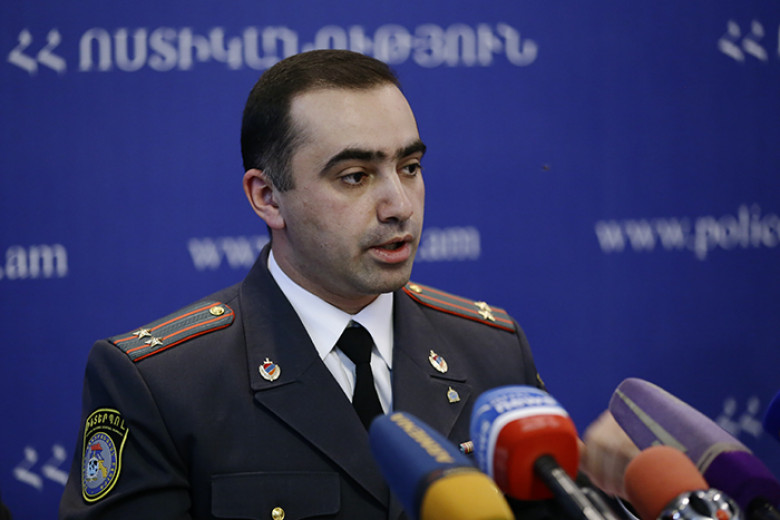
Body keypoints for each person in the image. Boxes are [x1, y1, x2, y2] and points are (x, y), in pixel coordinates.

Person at [59, 49, 591, 519]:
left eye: (409, 167)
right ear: (267, 197)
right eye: (355, 176)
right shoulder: (163, 384)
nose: (399, 206)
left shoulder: (492, 351)